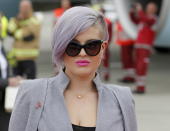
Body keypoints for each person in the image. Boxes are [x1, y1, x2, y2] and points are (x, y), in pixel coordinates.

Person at [9, 7, 137, 131]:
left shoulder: (122, 99)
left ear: (103, 48)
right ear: (61, 47)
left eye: (92, 46)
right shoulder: (31, 93)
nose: (82, 53)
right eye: (73, 46)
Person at [8, 0, 41, 79]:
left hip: (29, 58)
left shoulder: (34, 20)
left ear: (30, 8)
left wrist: (16, 32)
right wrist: (17, 20)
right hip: (16, 58)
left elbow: (29, 36)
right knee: (16, 83)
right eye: (22, 7)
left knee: (31, 83)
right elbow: (9, 31)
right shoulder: (16, 19)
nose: (24, 9)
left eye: (26, 7)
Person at [0, 13, 21, 131]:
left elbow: (5, 71)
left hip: (5, 101)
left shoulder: (1, 45)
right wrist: (8, 81)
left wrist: (14, 78)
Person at [133, 2, 158, 93]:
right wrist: (133, 12)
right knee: (137, 67)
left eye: (151, 8)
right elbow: (135, 20)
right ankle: (139, 87)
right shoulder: (144, 18)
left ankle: (141, 88)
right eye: (148, 7)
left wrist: (139, 10)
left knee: (142, 67)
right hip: (139, 46)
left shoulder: (153, 19)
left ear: (155, 10)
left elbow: (146, 20)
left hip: (145, 47)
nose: (149, 9)